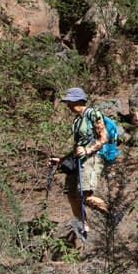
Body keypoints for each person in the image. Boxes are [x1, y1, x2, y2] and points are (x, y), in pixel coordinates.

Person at [50, 87, 120, 235]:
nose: (68, 105)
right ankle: (83, 227)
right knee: (72, 196)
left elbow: (103, 137)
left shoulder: (93, 114)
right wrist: (62, 160)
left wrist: (88, 150)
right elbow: (78, 146)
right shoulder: (77, 120)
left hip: (92, 157)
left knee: (85, 194)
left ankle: (113, 213)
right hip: (78, 160)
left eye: (70, 101)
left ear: (79, 101)